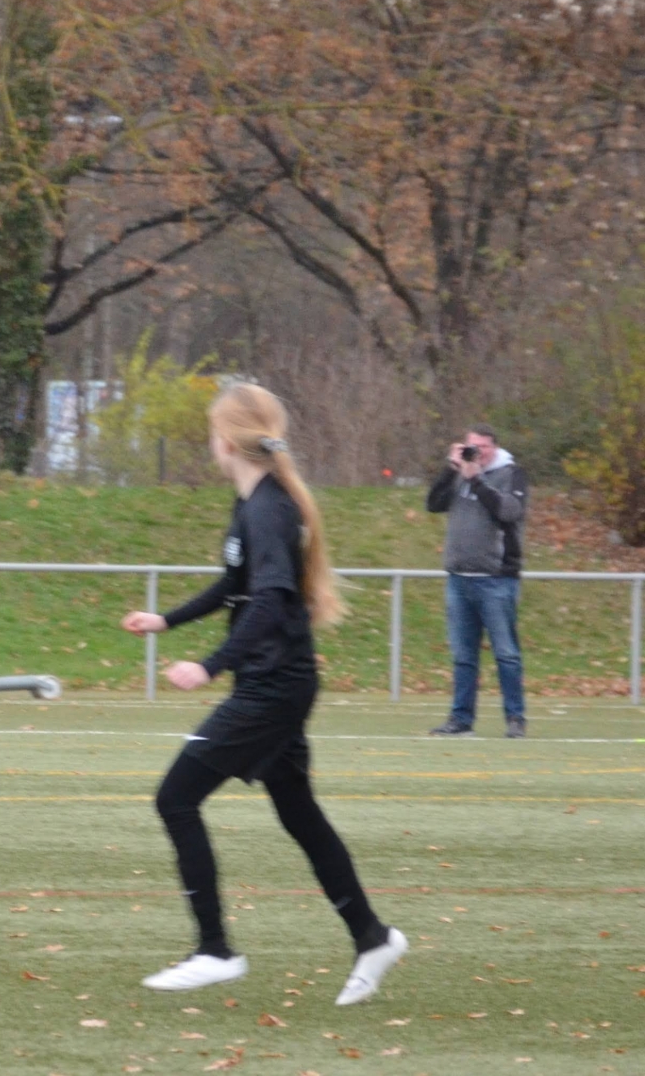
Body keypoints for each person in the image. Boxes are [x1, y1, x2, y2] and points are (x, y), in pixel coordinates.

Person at [121, 383, 408, 1003]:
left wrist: (210, 666)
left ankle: (214, 951)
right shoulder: (253, 503)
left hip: (274, 688)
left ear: (226, 440)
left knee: (176, 799)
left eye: (210, 433)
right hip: (279, 681)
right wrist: (166, 620)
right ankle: (372, 936)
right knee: (299, 813)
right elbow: (235, 586)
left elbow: (273, 599)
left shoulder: (268, 510)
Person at [426, 424, 529, 738]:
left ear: (494, 448)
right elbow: (433, 504)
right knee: (463, 656)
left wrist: (477, 480)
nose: (477, 453)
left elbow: (509, 511)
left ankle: (515, 718)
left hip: (496, 579)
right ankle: (461, 719)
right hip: (459, 578)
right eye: (472, 446)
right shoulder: (460, 473)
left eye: (483, 447)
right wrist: (452, 469)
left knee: (506, 654)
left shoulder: (512, 474)